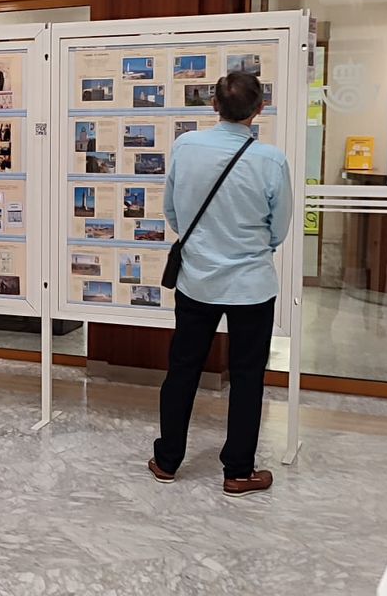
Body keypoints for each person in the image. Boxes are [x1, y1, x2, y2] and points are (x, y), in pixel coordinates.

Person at [149, 71, 292, 498]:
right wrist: (249, 248)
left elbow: (172, 211)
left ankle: (167, 460)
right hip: (251, 284)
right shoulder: (271, 160)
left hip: (197, 280)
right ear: (259, 109)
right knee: (248, 377)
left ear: (213, 105)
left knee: (183, 369)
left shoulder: (185, 146)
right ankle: (238, 471)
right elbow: (279, 229)